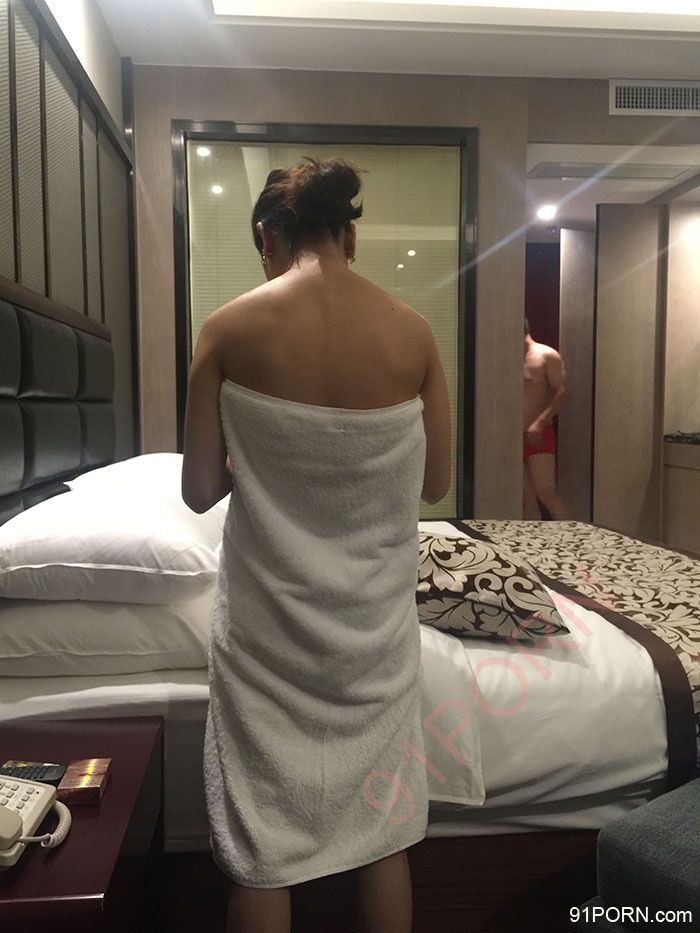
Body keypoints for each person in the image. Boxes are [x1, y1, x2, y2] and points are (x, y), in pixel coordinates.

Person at [181, 157, 451, 933]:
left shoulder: (227, 329)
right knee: (382, 832)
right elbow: (436, 483)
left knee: (260, 847)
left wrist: (258, 457)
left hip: (267, 635)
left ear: (270, 237)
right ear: (349, 236)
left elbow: (198, 489)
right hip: (373, 637)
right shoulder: (414, 333)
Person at [523, 317, 569, 520]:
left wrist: (540, 423)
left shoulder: (545, 355)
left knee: (545, 492)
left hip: (539, 433)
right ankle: (531, 538)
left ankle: (570, 534)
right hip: (515, 435)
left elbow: (562, 392)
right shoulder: (510, 358)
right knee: (525, 498)